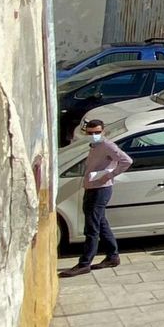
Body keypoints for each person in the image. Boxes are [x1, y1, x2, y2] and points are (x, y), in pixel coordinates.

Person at [59, 118, 133, 277]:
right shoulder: (93, 146)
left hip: (101, 189)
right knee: (101, 223)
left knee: (91, 227)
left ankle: (84, 263)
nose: (94, 135)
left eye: (97, 132)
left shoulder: (107, 145)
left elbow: (126, 161)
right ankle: (113, 256)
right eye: (91, 133)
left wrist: (109, 175)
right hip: (91, 188)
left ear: (103, 131)